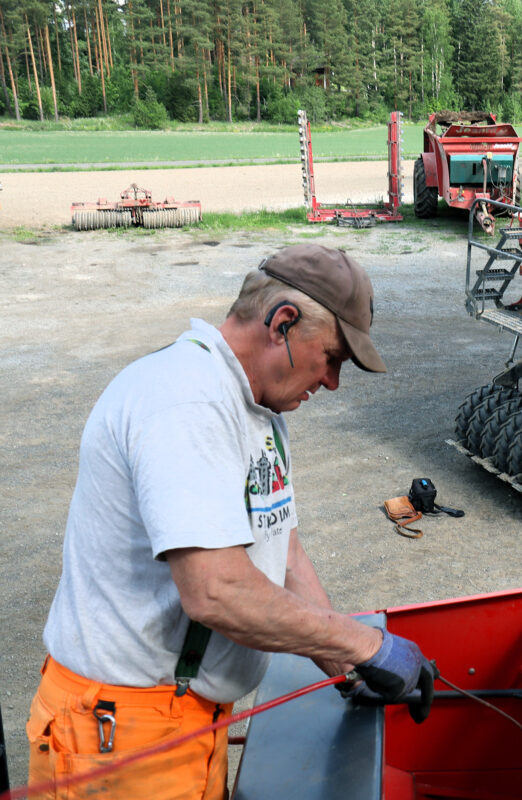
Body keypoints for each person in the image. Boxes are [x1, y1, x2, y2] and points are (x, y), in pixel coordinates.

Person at [26, 244, 429, 799]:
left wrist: (349, 667)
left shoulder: (258, 409)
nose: (333, 382)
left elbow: (283, 555)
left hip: (188, 721)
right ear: (282, 323)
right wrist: (365, 644)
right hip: (121, 732)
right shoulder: (183, 401)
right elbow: (216, 592)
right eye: (332, 358)